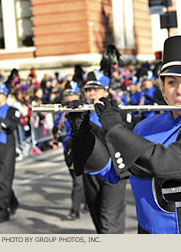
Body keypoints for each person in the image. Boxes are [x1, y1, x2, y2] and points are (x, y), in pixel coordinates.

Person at [68, 0, 181, 234]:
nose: (180, 91)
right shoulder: (147, 126)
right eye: (171, 82)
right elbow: (112, 170)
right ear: (162, 87)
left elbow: (167, 163)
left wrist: (115, 128)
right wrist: (83, 135)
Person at [69, 47, 127, 233]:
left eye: (96, 89)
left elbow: (122, 137)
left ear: (106, 90)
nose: (92, 94)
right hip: (90, 171)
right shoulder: (82, 112)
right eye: (88, 90)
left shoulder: (118, 110)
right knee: (97, 219)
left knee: (109, 220)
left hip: (114, 171)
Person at [52, 81, 85, 220]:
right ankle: (86, 201)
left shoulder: (84, 109)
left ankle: (75, 210)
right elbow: (55, 130)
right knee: (77, 179)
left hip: (82, 148)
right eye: (67, 95)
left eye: (72, 95)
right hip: (68, 150)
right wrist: (60, 123)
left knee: (78, 181)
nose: (69, 98)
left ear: (78, 95)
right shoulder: (62, 112)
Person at [0, 82, 20, 222]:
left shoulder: (12, 110)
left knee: (4, 180)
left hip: (6, 147)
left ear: (4, 96)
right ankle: (12, 202)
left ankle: (3, 210)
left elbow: (11, 126)